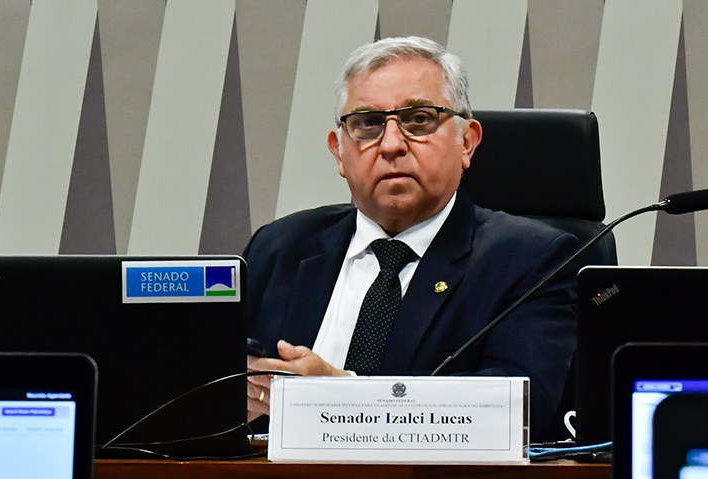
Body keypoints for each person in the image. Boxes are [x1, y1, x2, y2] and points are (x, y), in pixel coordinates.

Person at [244, 36, 578, 442]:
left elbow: (519, 412)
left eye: (419, 119)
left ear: (467, 141)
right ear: (338, 152)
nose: (391, 144)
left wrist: (335, 399)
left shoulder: (532, 261)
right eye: (367, 124)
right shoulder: (279, 248)